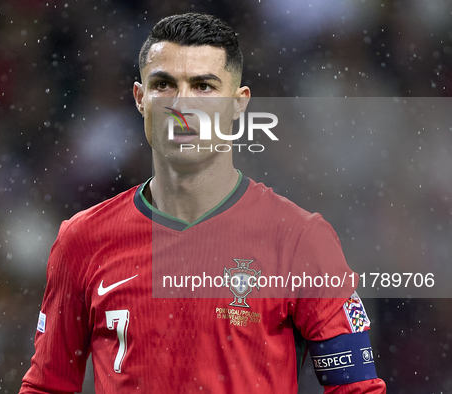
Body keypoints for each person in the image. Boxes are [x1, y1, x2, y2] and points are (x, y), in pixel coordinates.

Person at [19, 13, 386, 393]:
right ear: (140, 99)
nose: (182, 105)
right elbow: (47, 386)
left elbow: (356, 388)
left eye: (203, 87)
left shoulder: (299, 240)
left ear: (239, 104)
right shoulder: (82, 239)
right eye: (163, 84)